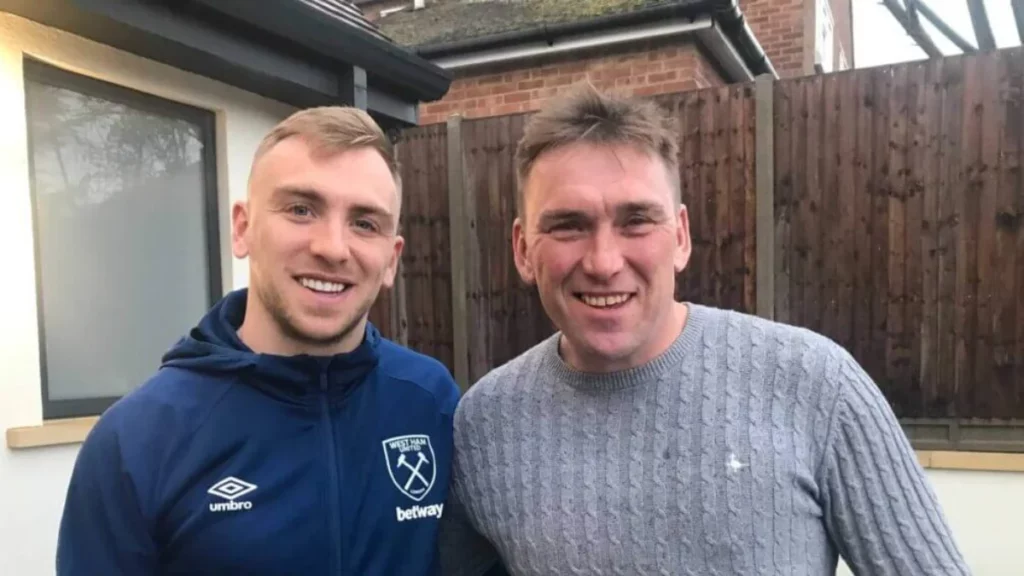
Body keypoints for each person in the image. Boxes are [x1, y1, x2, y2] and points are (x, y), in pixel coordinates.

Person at [438, 83, 971, 575]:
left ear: (682, 236)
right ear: (522, 250)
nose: (603, 261)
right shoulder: (486, 425)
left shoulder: (816, 384)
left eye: (637, 221)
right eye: (568, 225)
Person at [56, 106, 460, 575]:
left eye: (364, 222)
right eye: (301, 209)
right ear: (243, 227)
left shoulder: (430, 403)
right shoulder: (138, 441)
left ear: (391, 259)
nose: (332, 247)